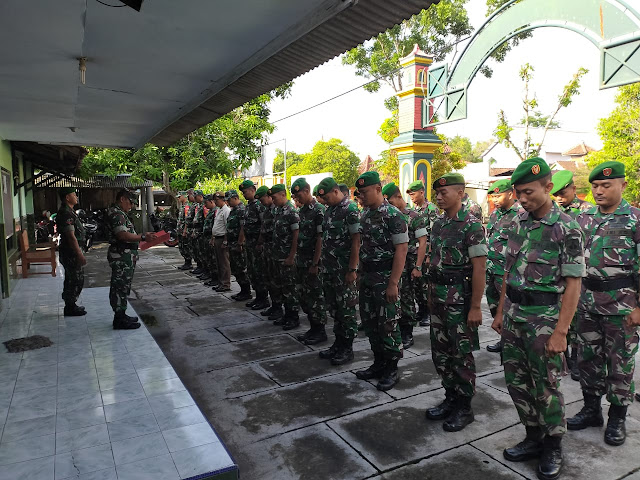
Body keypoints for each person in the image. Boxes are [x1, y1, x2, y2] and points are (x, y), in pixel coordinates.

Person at [491, 157, 585, 480]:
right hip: (515, 316)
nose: (522, 199)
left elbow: (573, 283)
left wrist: (562, 332)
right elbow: (507, 271)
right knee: (516, 381)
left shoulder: (567, 228)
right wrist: (501, 311)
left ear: (547, 187)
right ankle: (532, 437)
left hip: (545, 319)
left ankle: (553, 444)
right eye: (518, 193)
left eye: (528, 192)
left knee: (546, 385)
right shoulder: (518, 222)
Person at [567, 161, 640, 447]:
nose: (599, 191)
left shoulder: (635, 220)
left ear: (622, 185)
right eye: (595, 186)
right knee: (588, 360)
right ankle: (591, 410)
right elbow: (573, 263)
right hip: (586, 304)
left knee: (619, 363)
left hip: (621, 306)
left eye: (606, 186)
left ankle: (618, 419)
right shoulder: (583, 220)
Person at [425, 173, 487, 432]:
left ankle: (464, 406)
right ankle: (450, 398)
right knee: (441, 354)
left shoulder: (472, 226)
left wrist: (474, 307)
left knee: (461, 355)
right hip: (438, 298)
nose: (439, 197)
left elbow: (479, 269)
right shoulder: (438, 224)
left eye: (444, 193)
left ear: (460, 193)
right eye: (436, 194)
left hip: (459, 303)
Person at [354, 171, 408, 391]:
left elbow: (402, 250)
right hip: (368, 277)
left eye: (365, 192)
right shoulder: (365, 214)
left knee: (388, 323)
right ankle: (378, 363)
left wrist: (393, 283)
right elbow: (362, 246)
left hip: (386, 278)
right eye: (359, 193)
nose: (361, 197)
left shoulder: (393, 215)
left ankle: (392, 368)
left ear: (378, 189)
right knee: (370, 322)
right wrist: (358, 273)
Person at [551, 170, 593, 379]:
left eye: (563, 192)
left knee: (577, 319)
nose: (559, 197)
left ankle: (576, 359)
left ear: (573, 189)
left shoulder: (588, 211)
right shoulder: (552, 212)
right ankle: (563, 357)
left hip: (579, 273)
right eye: (555, 193)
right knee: (559, 315)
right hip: (556, 275)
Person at [317, 177, 361, 365]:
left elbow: (356, 242)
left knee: (346, 310)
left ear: (336, 191)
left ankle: (347, 348)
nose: (324, 201)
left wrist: (352, 269)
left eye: (326, 197)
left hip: (344, 271)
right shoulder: (330, 210)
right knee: (334, 309)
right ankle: (338, 343)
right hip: (330, 270)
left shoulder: (350, 210)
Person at [383, 182, 428, 349]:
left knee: (407, 298)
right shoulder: (388, 216)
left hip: (409, 264)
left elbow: (423, 242)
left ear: (398, 197)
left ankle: (407, 332)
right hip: (395, 264)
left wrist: (418, 266)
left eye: (391, 202)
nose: (390, 205)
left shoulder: (414, 216)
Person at [106, 189, 157, 329]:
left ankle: (121, 314)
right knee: (120, 286)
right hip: (121, 255)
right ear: (122, 199)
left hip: (125, 255)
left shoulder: (120, 213)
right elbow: (122, 235)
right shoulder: (116, 213)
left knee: (123, 285)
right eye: (130, 202)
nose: (131, 206)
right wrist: (142, 237)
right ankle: (119, 318)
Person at [485, 178, 520, 354]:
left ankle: (512, 341)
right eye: (493, 197)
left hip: (506, 271)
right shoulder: (494, 215)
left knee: (508, 306)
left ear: (510, 194)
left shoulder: (519, 214)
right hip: (491, 269)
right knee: (493, 303)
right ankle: (504, 337)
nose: (495, 200)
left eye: (499, 196)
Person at [291, 178, 327, 345]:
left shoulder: (319, 211)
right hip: (301, 261)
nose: (297, 198)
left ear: (307, 191)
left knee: (315, 297)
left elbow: (320, 238)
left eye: (299, 195)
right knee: (304, 296)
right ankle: (313, 327)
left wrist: (315, 263)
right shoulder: (303, 210)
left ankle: (319, 330)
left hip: (312, 261)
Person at [406, 180, 438, 327]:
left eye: (413, 193)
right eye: (410, 194)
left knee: (425, 284)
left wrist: (429, 254)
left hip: (426, 253)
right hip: (415, 253)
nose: (411, 196)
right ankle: (421, 309)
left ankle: (427, 312)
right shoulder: (414, 209)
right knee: (417, 284)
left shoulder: (431, 209)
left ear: (422, 192)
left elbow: (434, 233)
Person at [270, 184, 301, 329]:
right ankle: (286, 315)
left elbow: (296, 235)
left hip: (287, 256)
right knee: (282, 287)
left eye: (274, 197)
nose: (272, 200)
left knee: (290, 289)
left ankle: (293, 317)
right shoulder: (278, 210)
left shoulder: (291, 212)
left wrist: (291, 256)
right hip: (278, 256)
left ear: (283, 194)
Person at [56, 187, 87, 316]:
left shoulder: (70, 211)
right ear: (67, 197)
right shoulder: (66, 213)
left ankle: (71, 304)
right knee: (75, 279)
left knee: (73, 278)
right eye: (74, 195)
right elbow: (71, 236)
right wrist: (79, 253)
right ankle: (70, 305)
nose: (76, 197)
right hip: (71, 252)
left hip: (72, 251)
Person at [239, 180, 269, 310]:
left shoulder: (258, 205)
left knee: (259, 272)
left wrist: (260, 242)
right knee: (252, 271)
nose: (244, 195)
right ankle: (257, 296)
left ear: (252, 190)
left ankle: (263, 299)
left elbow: (263, 224)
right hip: (250, 244)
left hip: (257, 244)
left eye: (245, 192)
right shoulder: (249, 205)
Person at [225, 190, 252, 301]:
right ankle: (242, 290)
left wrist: (240, 243)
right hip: (232, 244)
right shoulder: (234, 210)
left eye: (229, 200)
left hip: (238, 244)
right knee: (235, 268)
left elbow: (242, 228)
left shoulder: (241, 210)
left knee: (241, 268)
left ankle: (246, 292)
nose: (228, 202)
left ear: (236, 198)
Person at [256, 186, 278, 317]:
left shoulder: (277, 211)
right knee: (269, 279)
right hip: (268, 249)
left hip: (277, 250)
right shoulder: (267, 210)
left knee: (278, 282)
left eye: (262, 199)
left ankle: (282, 309)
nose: (261, 202)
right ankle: (274, 306)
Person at [211, 192, 232, 292]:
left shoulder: (226, 210)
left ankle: (225, 284)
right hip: (217, 238)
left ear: (223, 200)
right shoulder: (219, 210)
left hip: (222, 239)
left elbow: (227, 226)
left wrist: (225, 240)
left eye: (217, 200)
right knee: (219, 263)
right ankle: (221, 283)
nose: (215, 202)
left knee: (224, 263)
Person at [202, 194, 218, 287]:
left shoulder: (216, 211)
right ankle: (212, 277)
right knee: (209, 258)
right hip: (207, 237)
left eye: (206, 202)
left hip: (212, 237)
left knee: (213, 259)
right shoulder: (211, 211)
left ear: (211, 202)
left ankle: (216, 278)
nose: (205, 205)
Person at [191, 190, 209, 280]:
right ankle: (201, 268)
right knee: (198, 252)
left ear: (201, 196)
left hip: (202, 233)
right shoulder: (197, 206)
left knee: (204, 253)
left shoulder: (205, 206)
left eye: (196, 196)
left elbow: (206, 220)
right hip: (197, 232)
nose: (194, 198)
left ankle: (206, 270)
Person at [176, 191, 193, 270]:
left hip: (184, 230)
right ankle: (186, 262)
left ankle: (188, 263)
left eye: (180, 196)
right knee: (182, 247)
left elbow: (187, 220)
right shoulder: (182, 206)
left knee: (186, 247)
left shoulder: (187, 206)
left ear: (184, 196)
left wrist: (185, 231)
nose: (178, 198)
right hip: (180, 230)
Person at [184, 189, 197, 271]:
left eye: (189, 195)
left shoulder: (199, 206)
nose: (188, 197)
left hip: (196, 232)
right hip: (192, 231)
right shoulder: (193, 205)